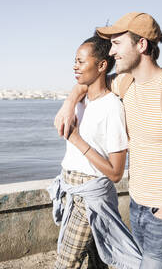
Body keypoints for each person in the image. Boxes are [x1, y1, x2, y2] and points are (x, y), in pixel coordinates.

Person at [54, 12, 162, 268]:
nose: (112, 52)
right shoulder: (125, 84)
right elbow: (88, 82)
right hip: (138, 208)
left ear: (141, 45)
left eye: (117, 44)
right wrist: (69, 103)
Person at [48, 33, 142, 269]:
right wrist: (69, 104)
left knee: (65, 263)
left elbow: (116, 172)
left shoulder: (112, 108)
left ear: (101, 65)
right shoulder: (78, 102)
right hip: (71, 190)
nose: (75, 66)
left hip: (90, 197)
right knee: (98, 263)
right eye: (75, 60)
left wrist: (77, 140)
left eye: (81, 61)